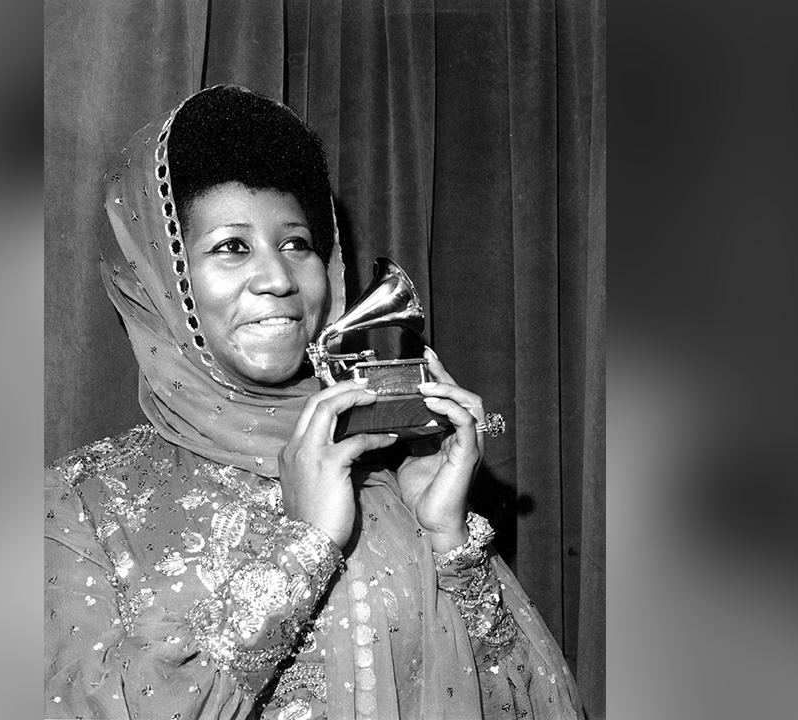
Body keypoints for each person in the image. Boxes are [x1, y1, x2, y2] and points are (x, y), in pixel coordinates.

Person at [46, 85, 583, 720]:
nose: (279, 279)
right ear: (161, 277)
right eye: (231, 246)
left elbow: (532, 704)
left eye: (296, 243)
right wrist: (299, 546)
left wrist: (450, 542)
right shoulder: (80, 507)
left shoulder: (389, 480)